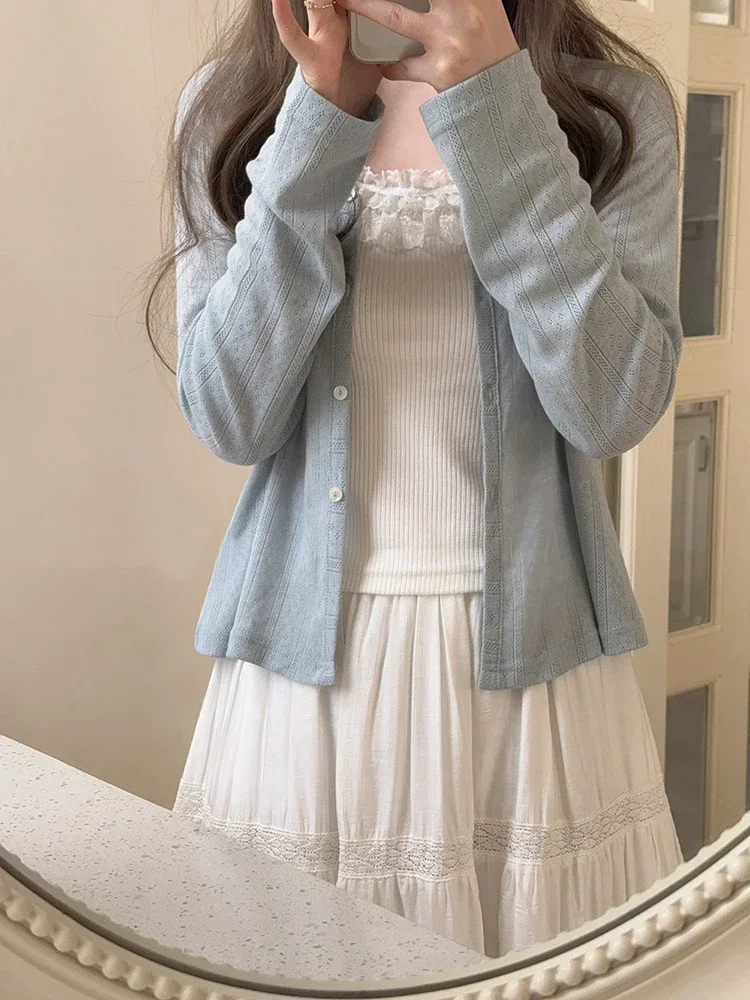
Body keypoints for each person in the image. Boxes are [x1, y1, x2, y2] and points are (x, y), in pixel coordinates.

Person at [148, 0, 686, 959]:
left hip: (534, 672)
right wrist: (316, 124)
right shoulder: (234, 105)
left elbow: (614, 408)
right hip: (304, 678)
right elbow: (230, 415)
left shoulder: (609, 107)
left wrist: (500, 107)